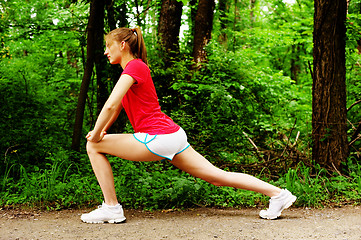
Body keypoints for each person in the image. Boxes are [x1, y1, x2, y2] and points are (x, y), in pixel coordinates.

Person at [80, 27, 297, 224]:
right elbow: (116, 109)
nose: (106, 51)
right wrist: (103, 129)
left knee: (93, 146)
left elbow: (110, 105)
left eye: (109, 46)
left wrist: (97, 135)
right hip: (171, 135)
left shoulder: (134, 66)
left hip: (158, 137)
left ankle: (111, 208)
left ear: (123, 45)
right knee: (216, 176)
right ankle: (278, 194)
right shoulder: (132, 70)